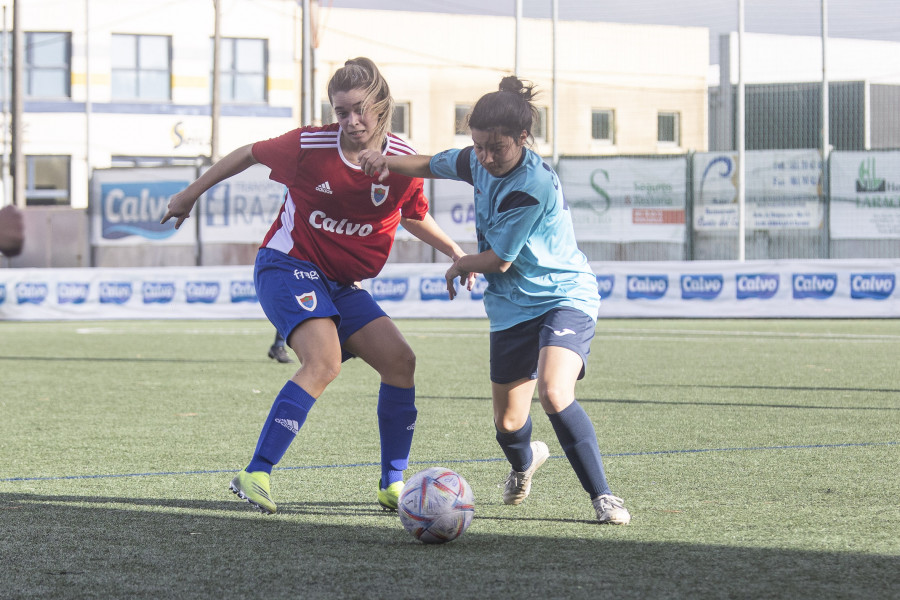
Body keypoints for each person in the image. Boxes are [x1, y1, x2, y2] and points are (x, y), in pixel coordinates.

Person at [162, 57, 470, 515]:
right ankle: (257, 471)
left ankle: (392, 484)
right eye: (341, 111)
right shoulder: (310, 145)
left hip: (341, 284)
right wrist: (189, 194)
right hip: (287, 265)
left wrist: (456, 253)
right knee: (323, 362)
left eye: (359, 109)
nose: (350, 121)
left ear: (381, 103)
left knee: (401, 362)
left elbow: (412, 213)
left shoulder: (403, 160)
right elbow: (247, 153)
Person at [360, 76, 631, 525]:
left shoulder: (532, 186)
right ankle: (524, 464)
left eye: (496, 148)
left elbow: (500, 260)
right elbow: (431, 164)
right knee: (508, 425)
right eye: (477, 145)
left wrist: (459, 264)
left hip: (562, 294)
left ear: (522, 139)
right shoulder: (478, 160)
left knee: (554, 391)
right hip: (509, 309)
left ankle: (603, 496)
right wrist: (386, 163)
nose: (485, 157)